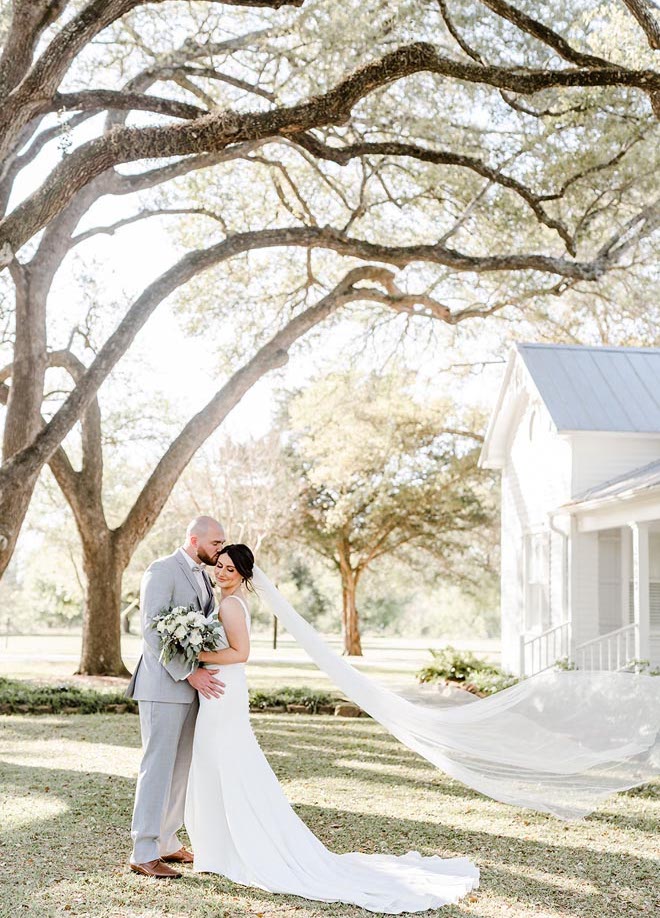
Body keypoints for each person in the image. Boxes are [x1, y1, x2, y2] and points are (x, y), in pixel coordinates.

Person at [185, 544, 480, 912]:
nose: (222, 572)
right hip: (222, 691)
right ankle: (220, 848)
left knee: (225, 763)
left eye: (230, 568)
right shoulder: (226, 601)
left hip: (224, 690)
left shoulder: (230, 604)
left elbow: (240, 653)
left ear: (244, 574)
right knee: (219, 763)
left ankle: (231, 849)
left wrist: (195, 655)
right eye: (220, 566)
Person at [126, 516, 227, 879]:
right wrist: (189, 672)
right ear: (193, 538)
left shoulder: (203, 576)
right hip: (163, 687)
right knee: (157, 768)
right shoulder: (161, 570)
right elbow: (151, 630)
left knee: (180, 768)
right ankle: (143, 850)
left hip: (192, 692)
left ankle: (167, 841)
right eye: (216, 543)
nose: (220, 549)